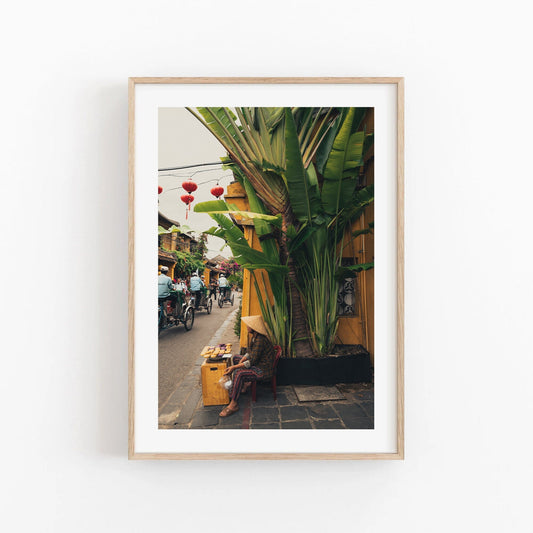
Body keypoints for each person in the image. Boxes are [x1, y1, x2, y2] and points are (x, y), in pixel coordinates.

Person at [219, 315, 276, 418]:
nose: (247, 327)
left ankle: (233, 404)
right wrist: (241, 360)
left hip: (263, 369)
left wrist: (234, 367)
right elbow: (249, 352)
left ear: (253, 328)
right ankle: (244, 386)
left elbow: (252, 361)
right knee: (236, 357)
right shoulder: (254, 337)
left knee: (239, 373)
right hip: (257, 363)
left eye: (248, 325)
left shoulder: (260, 340)